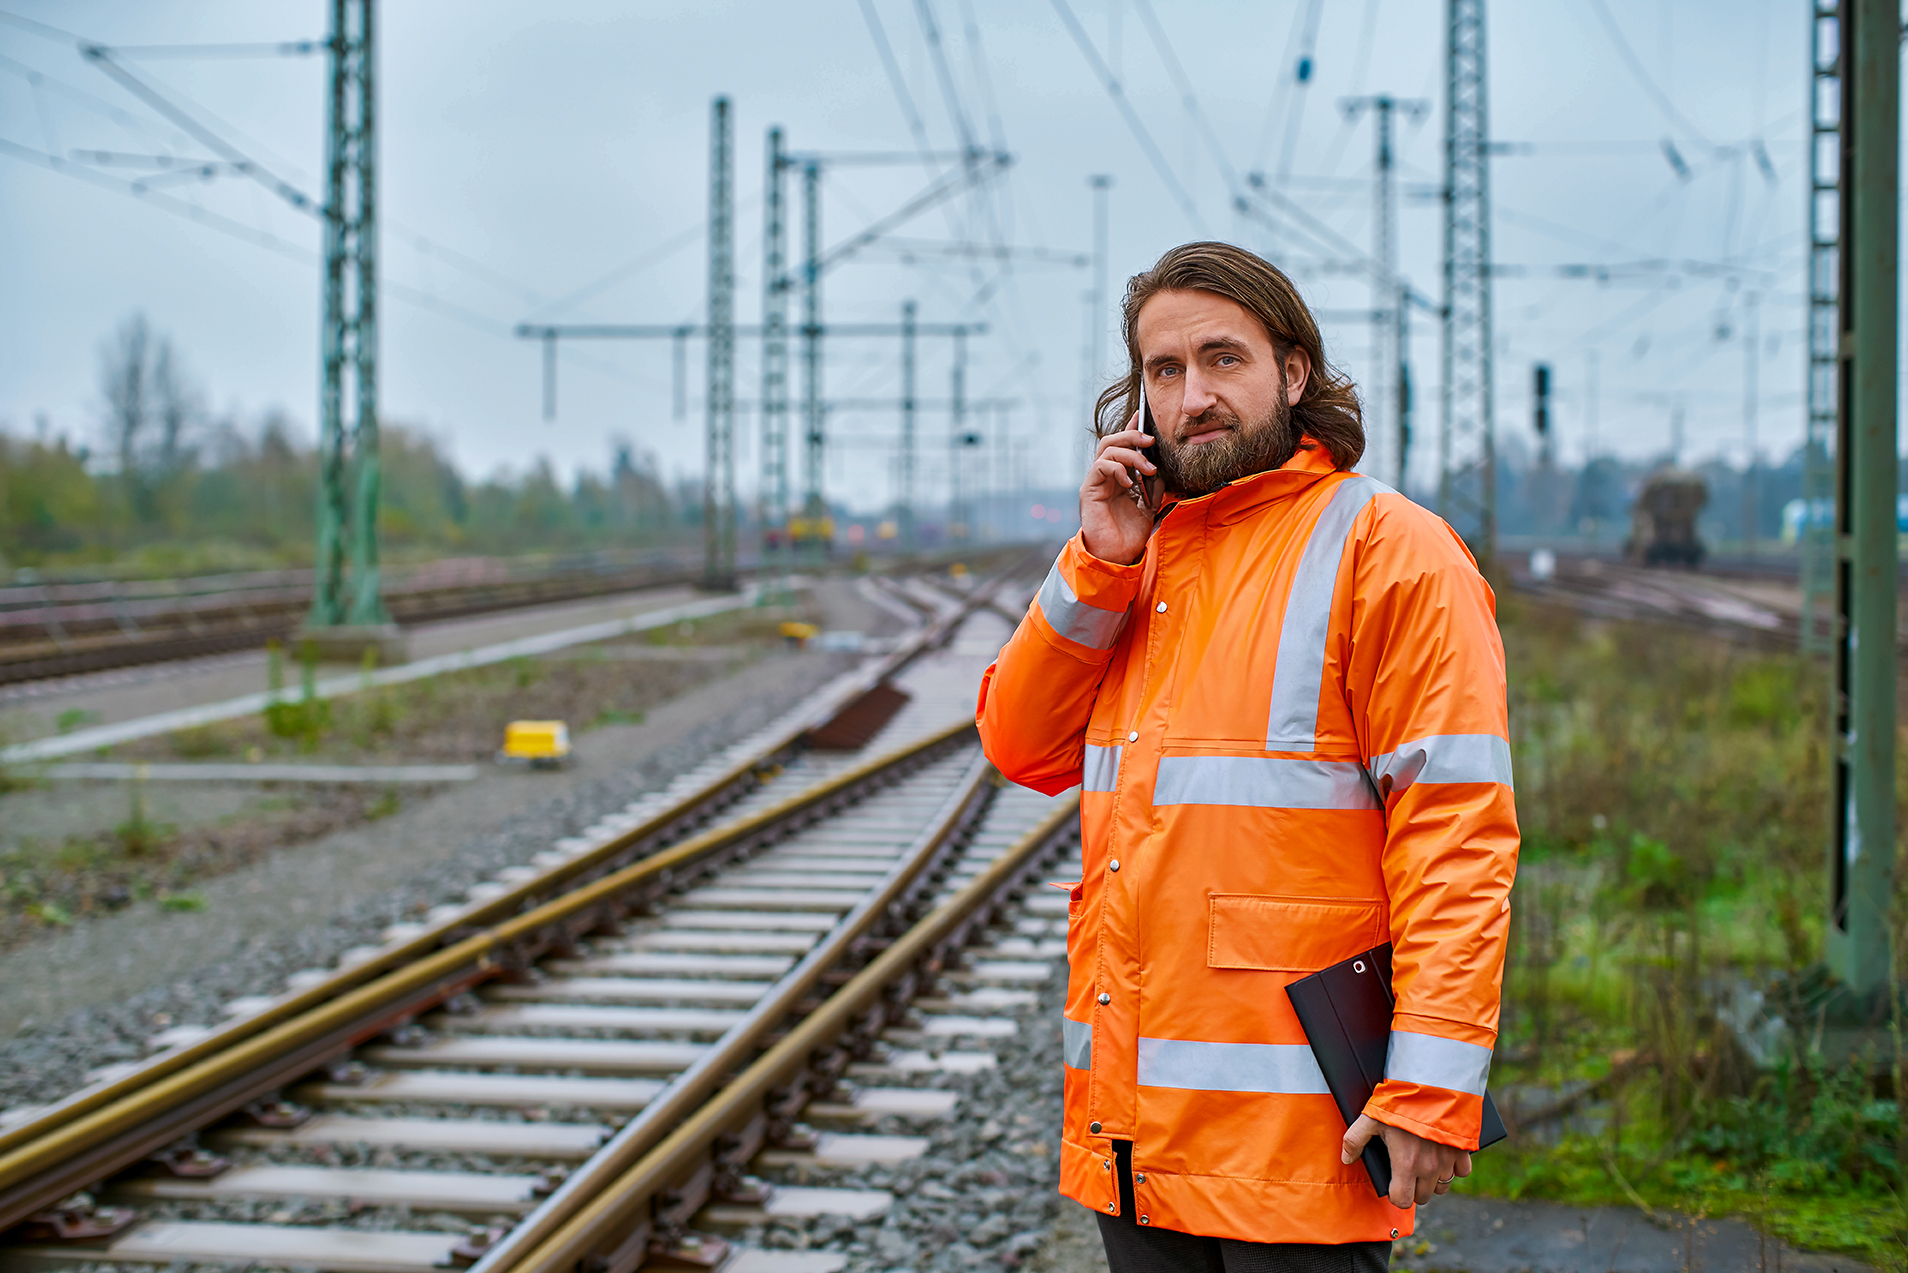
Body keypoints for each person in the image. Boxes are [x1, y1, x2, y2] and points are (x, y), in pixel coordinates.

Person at [976, 241, 1519, 1272]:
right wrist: (1096, 564)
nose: (1194, 395)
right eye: (1165, 371)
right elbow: (1020, 743)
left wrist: (1433, 1088)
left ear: (1295, 373)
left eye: (1224, 359)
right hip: (1136, 1138)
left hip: (1303, 1150)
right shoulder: (1138, 561)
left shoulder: (1389, 549)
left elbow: (1456, 833)